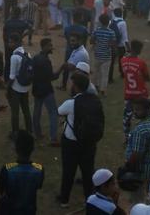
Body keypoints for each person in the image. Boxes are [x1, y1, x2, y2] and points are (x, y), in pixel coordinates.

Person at [56, 73, 105, 208]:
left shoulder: (71, 103)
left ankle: (64, 200)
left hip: (71, 143)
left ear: (76, 87)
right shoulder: (95, 100)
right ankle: (89, 200)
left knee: (68, 171)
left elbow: (59, 111)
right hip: (89, 142)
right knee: (88, 171)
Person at [123, 98, 150, 205]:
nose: (135, 112)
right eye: (134, 109)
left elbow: (137, 155)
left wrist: (128, 167)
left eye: (138, 110)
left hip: (140, 170)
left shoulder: (140, 130)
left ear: (148, 110)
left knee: (137, 200)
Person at [0, 130, 44, 215]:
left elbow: (0, 193)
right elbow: (38, 186)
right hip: (29, 211)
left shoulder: (7, 170)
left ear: (15, 148)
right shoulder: (39, 170)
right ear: (32, 148)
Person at [31, 37, 61, 146]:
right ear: (44, 47)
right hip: (46, 89)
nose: (51, 47)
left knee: (37, 112)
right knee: (53, 112)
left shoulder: (35, 58)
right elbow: (52, 77)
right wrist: (62, 68)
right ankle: (53, 138)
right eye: (49, 45)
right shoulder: (46, 61)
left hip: (37, 88)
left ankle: (37, 133)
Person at [121, 40, 150, 139]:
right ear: (138, 50)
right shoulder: (141, 63)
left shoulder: (123, 60)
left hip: (129, 93)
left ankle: (126, 137)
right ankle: (146, 135)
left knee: (127, 117)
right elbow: (147, 78)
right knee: (147, 114)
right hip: (141, 94)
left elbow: (123, 73)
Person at [7, 33, 33, 139]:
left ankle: (15, 133)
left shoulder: (14, 57)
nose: (9, 44)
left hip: (16, 88)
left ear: (15, 43)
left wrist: (8, 89)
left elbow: (12, 76)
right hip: (25, 87)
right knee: (26, 109)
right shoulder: (27, 54)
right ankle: (29, 130)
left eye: (10, 42)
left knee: (15, 112)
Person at [91, 14, 116, 94]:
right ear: (108, 22)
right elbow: (113, 44)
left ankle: (95, 86)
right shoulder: (111, 32)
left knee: (96, 71)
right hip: (106, 55)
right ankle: (103, 89)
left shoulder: (96, 31)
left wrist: (96, 43)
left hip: (97, 54)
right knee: (105, 74)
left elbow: (91, 40)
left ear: (100, 22)